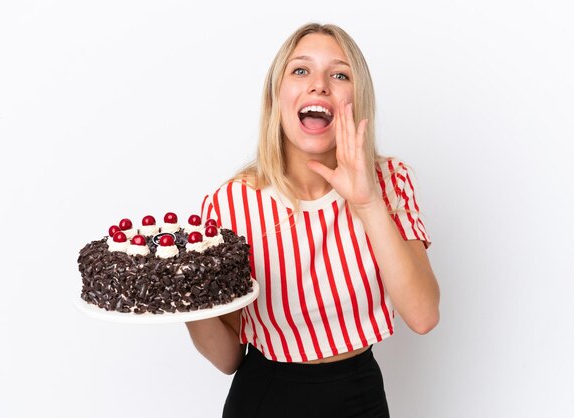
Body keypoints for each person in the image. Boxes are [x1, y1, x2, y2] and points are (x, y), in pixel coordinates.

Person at [185, 22, 440, 418]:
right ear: (276, 96)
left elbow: (423, 316)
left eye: (339, 74)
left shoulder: (389, 182)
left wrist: (367, 202)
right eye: (300, 70)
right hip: (264, 398)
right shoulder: (230, 205)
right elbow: (227, 357)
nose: (319, 85)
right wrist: (184, 298)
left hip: (360, 396)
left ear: (358, 98)